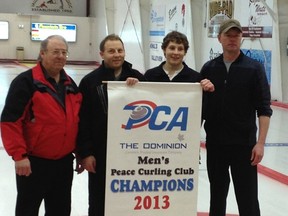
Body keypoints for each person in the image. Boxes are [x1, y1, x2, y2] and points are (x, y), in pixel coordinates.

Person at [0, 35, 82, 216]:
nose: (60, 56)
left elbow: (77, 122)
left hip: (63, 163)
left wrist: (81, 153)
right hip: (33, 163)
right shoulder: (26, 82)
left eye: (64, 52)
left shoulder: (71, 85)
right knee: (27, 210)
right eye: (55, 52)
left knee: (60, 210)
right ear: (42, 54)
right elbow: (10, 121)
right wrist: (19, 155)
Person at [200, 19, 273, 216]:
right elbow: (199, 108)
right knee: (217, 196)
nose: (232, 39)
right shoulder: (209, 68)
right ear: (219, 38)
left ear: (241, 38)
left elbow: (264, 109)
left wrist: (260, 143)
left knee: (247, 199)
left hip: (244, 145)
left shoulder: (254, 68)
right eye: (228, 35)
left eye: (236, 35)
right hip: (215, 145)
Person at [76, 33, 146, 216]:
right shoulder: (89, 82)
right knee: (98, 201)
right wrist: (86, 153)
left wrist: (140, 89)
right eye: (111, 51)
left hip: (131, 154)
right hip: (100, 153)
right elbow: (82, 120)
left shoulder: (138, 78)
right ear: (102, 54)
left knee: (127, 200)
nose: (116, 55)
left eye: (120, 50)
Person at [144, 30, 215, 164]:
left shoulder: (195, 78)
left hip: (184, 143)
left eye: (180, 49)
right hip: (154, 142)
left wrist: (210, 92)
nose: (176, 52)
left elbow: (204, 112)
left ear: (185, 52)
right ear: (164, 50)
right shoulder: (150, 76)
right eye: (172, 48)